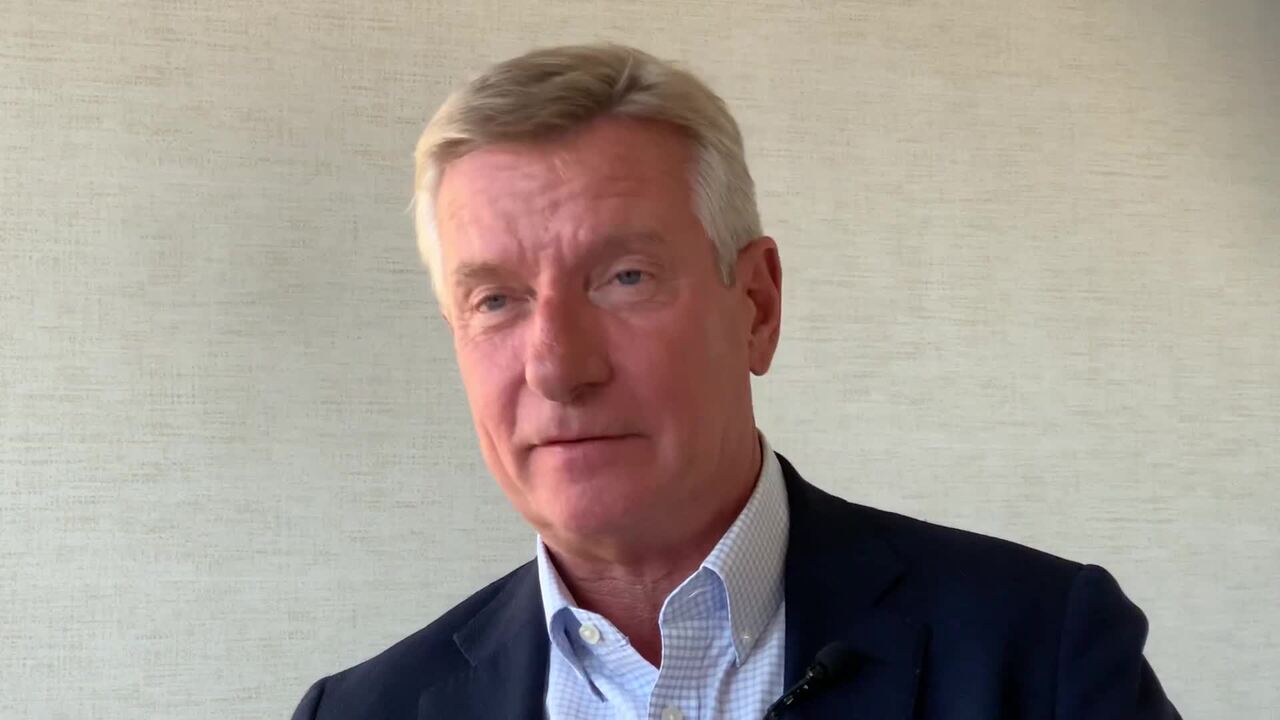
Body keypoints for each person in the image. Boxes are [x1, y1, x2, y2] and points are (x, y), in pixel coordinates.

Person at [292, 43, 1180, 719]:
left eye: (625, 278)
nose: (558, 368)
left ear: (756, 305)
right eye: (495, 300)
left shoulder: (1042, 653)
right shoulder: (357, 713)